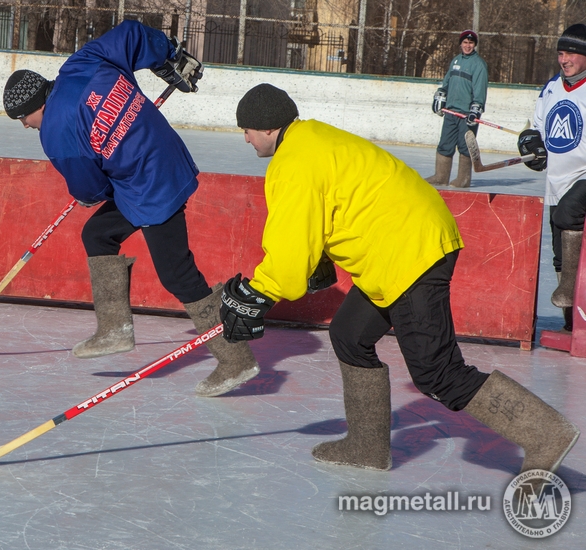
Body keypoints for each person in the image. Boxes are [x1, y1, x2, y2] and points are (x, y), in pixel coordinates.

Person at [220, 82, 579, 474]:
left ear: (268, 127)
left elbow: (288, 254)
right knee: (350, 334)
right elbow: (328, 212)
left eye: (248, 130)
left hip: (410, 252)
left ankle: (545, 433)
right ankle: (366, 447)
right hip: (401, 245)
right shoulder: (313, 137)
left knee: (438, 373)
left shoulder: (292, 164)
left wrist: (258, 294)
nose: (245, 138)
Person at [2, 21, 259, 397]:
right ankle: (114, 328)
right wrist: (167, 54)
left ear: (34, 106)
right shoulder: (83, 62)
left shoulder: (55, 132)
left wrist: (98, 183)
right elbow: (132, 33)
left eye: (22, 118)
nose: (25, 125)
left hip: (151, 188)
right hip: (170, 159)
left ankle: (236, 359)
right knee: (98, 233)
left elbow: (90, 190)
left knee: (178, 275)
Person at [517, 23, 586, 333]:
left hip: (584, 177)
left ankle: (570, 291)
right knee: (560, 254)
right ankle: (573, 326)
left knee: (570, 212)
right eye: (560, 53)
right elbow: (537, 131)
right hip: (557, 182)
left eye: (570, 53)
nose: (564, 59)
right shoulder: (551, 88)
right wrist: (531, 144)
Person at [426, 30, 488, 188]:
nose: (468, 45)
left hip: (466, 115)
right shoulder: (455, 61)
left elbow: (480, 90)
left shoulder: (478, 64)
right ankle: (441, 176)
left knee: (465, 146)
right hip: (451, 112)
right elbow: (446, 83)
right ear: (461, 43)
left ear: (474, 45)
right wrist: (440, 96)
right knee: (445, 144)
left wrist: (476, 108)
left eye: (471, 43)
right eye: (465, 43)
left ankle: (463, 179)